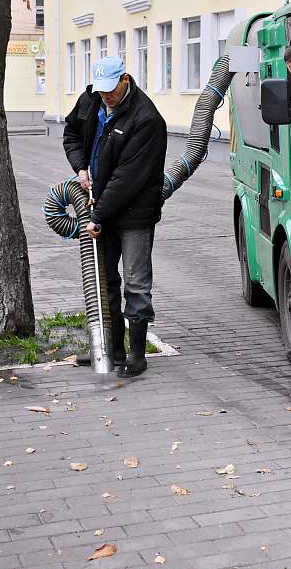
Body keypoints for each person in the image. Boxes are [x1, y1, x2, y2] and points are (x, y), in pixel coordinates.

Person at [62, 56, 167, 378]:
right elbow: (72, 134)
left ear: (125, 79)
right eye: (101, 90)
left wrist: (97, 217)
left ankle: (137, 355)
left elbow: (127, 179)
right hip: (99, 208)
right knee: (103, 281)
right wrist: (81, 167)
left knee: (135, 283)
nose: (106, 96)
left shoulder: (146, 119)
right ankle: (112, 349)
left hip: (133, 213)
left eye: (111, 89)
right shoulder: (92, 99)